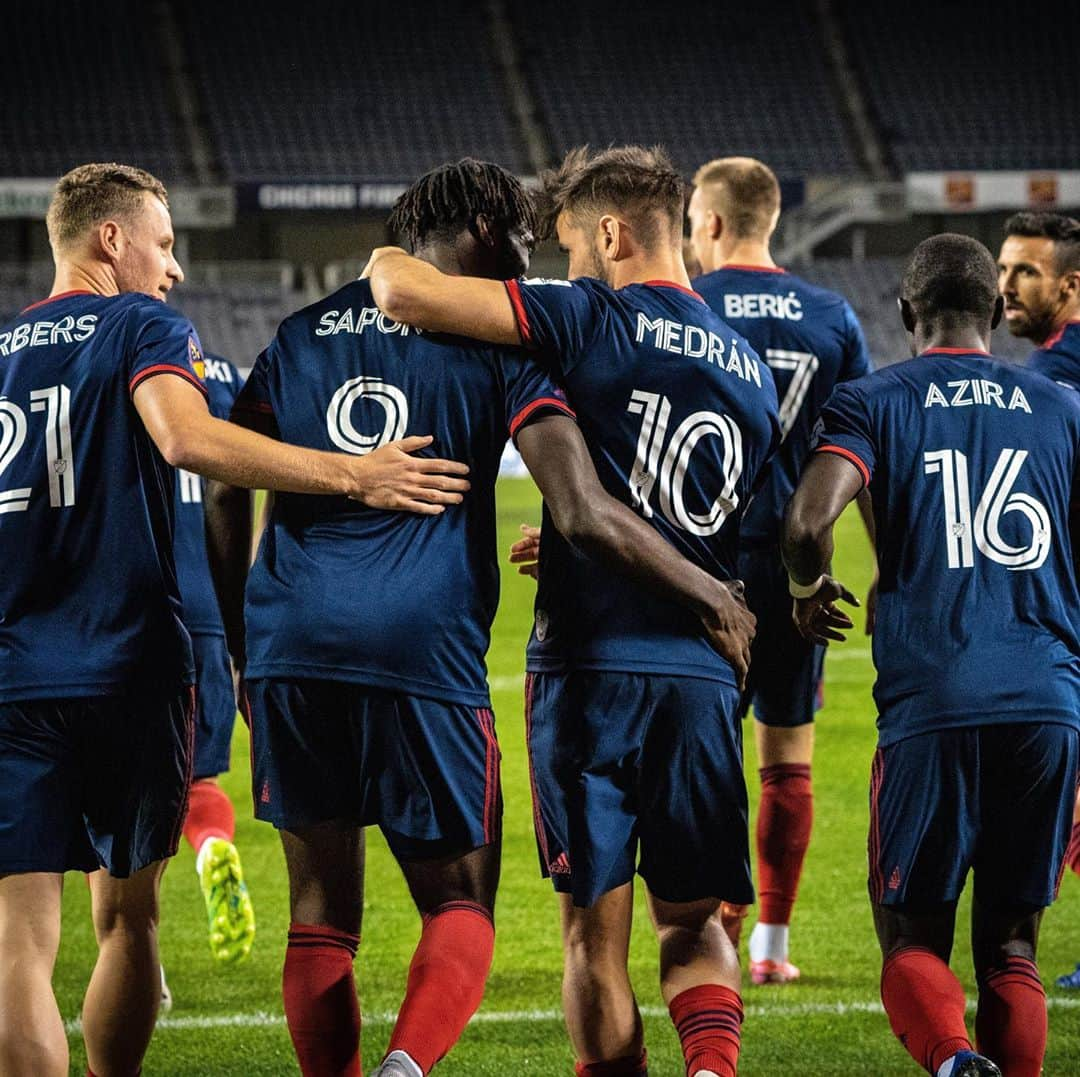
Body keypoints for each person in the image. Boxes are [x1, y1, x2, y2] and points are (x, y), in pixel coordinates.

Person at [222, 157, 756, 1077]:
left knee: (326, 915)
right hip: (449, 652)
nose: (532, 261)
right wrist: (718, 588)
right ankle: (412, 1065)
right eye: (519, 241)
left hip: (296, 647)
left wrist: (240, 637)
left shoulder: (298, 334)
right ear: (478, 227)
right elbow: (589, 497)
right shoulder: (524, 345)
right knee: (470, 906)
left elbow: (230, 476)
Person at [0, 162, 469, 1077]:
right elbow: (186, 438)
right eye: (165, 245)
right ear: (111, 240)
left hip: (16, 676)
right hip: (129, 670)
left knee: (19, 941)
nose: (174, 269)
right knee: (128, 920)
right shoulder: (141, 324)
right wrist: (352, 472)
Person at [369, 146, 780, 1077]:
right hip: (703, 671)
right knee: (694, 922)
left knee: (593, 941)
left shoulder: (586, 313)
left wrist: (392, 260)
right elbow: (714, 518)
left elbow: (403, 292)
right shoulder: (751, 370)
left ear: (611, 233)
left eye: (566, 247)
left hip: (589, 669)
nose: (558, 268)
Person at [784, 233, 1080, 1077]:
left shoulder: (873, 400)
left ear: (907, 312)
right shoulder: (1063, 408)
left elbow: (807, 524)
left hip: (934, 701)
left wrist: (810, 591)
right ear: (995, 312)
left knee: (913, 935)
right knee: (1014, 942)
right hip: (1048, 701)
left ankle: (952, 1061)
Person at [688, 156, 875, 983]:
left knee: (708, 750)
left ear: (717, 223)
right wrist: (893, 570)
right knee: (787, 756)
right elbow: (867, 450)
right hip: (799, 565)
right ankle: (771, 947)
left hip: (699, 565)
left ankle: (714, 923)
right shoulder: (832, 315)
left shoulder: (687, 306)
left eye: (695, 219)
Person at [997, 211, 1080, 989]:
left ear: (1070, 283)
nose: (1006, 286)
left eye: (1025, 271)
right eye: (1001, 270)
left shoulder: (1055, 380)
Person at [173, 349, 257, 966]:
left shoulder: (96, 364)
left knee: (108, 804)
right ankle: (211, 846)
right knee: (195, 779)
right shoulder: (221, 375)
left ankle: (133, 960)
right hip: (204, 608)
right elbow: (239, 480)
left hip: (111, 616)